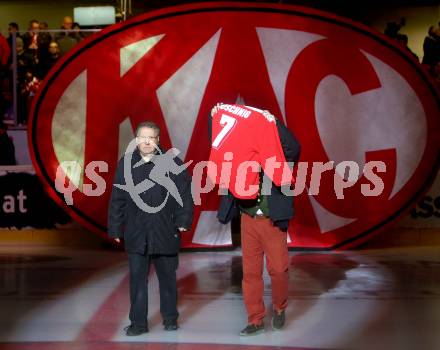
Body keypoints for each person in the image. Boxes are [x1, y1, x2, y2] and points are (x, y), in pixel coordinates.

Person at [209, 104, 300, 336]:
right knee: (250, 273)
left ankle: (279, 308)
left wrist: (274, 123)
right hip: (248, 218)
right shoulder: (238, 153)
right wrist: (215, 115)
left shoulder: (276, 152)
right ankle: (255, 319)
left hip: (272, 220)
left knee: (279, 270)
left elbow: (294, 148)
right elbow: (220, 138)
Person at [108, 121, 193, 336]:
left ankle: (170, 319)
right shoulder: (125, 163)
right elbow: (118, 198)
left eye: (151, 137)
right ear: (136, 139)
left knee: (168, 279)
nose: (146, 141)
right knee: (137, 281)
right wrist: (116, 228)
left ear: (158, 140)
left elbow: (184, 195)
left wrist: (183, 220)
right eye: (142, 137)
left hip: (165, 231)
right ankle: (138, 324)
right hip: (137, 233)